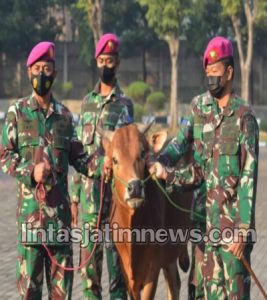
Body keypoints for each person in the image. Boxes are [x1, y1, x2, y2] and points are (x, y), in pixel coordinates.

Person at [150, 36, 259, 299]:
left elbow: (248, 179)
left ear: (229, 72)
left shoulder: (244, 117)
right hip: (206, 230)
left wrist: (243, 232)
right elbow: (188, 157)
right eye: (207, 72)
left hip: (234, 235)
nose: (210, 77)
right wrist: (162, 166)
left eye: (216, 72)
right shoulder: (199, 108)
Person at [0, 41, 102, 300]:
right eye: (37, 68)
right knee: (29, 295)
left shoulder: (65, 117)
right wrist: (29, 171)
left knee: (62, 296)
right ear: (28, 72)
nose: (42, 74)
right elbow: (3, 155)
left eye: (47, 68)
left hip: (60, 227)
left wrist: (105, 166)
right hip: (31, 226)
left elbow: (81, 159)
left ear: (55, 74)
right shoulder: (17, 113)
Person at [70, 33, 133, 300]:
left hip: (116, 206)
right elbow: (78, 151)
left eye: (111, 60)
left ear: (117, 63)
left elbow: (128, 153)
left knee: (117, 276)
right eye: (102, 60)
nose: (106, 65)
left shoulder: (124, 105)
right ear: (97, 62)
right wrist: (74, 198)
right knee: (89, 277)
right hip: (89, 205)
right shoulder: (87, 103)